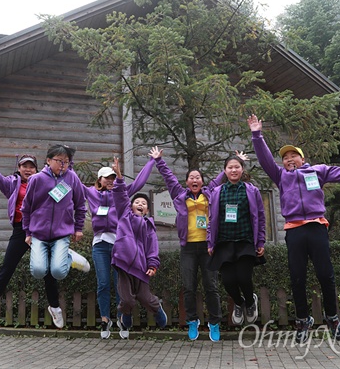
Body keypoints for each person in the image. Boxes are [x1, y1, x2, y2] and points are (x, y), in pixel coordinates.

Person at [247, 114, 340, 343]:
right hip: (294, 231)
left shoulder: (318, 171)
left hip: (316, 228)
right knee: (297, 277)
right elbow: (265, 159)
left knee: (326, 275)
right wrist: (257, 134)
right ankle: (303, 320)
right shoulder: (280, 176)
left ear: (302, 159)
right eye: (285, 157)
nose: (289, 159)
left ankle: (332, 317)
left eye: (293, 155)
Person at [151, 146, 248, 341]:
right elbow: (169, 178)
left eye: (198, 177)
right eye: (191, 178)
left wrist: (236, 162)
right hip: (188, 248)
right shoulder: (179, 195)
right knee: (189, 286)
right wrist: (159, 161)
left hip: (208, 247)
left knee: (211, 286)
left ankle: (214, 323)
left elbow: (224, 175)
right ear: (187, 182)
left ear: (202, 181)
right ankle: (192, 321)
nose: (195, 180)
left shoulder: (211, 192)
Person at [84, 158, 156, 339]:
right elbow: (74, 183)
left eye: (112, 177)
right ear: (99, 180)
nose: (110, 181)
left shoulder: (121, 191)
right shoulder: (90, 193)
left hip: (120, 245)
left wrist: (151, 161)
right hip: (100, 244)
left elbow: (139, 182)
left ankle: (122, 318)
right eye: (106, 178)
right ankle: (105, 318)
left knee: (121, 285)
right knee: (103, 283)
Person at [21, 144, 87, 329]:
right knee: (38, 271)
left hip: (61, 234)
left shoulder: (72, 179)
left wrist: (78, 228)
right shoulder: (37, 180)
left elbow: (80, 205)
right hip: (39, 235)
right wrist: (27, 232)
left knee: (58, 271)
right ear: (48, 160)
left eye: (66, 161)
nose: (63, 165)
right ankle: (66, 256)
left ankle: (69, 256)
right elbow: (26, 208)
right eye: (59, 161)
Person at [0, 142, 41, 327]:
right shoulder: (11, 184)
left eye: (31, 166)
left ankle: (55, 309)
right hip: (21, 230)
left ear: (36, 169)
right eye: (24, 166)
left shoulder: (42, 183)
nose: (28, 169)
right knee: (6, 270)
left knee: (48, 270)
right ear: (19, 168)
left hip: (39, 230)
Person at [206, 155, 266, 328]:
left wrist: (260, 241)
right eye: (230, 167)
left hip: (245, 240)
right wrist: (210, 242)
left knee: (244, 277)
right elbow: (211, 219)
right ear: (225, 170)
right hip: (224, 242)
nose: (233, 170)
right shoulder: (217, 192)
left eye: (237, 167)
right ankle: (238, 303)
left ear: (242, 169)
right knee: (228, 281)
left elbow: (260, 217)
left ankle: (250, 301)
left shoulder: (252, 190)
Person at [111, 156, 167, 339]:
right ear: (131, 206)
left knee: (146, 298)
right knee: (127, 300)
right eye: (137, 202)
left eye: (144, 203)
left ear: (148, 211)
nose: (140, 204)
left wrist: (153, 265)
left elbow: (152, 247)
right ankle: (125, 315)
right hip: (124, 264)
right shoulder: (124, 216)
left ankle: (158, 311)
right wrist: (119, 177)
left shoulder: (149, 226)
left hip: (142, 268)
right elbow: (120, 196)